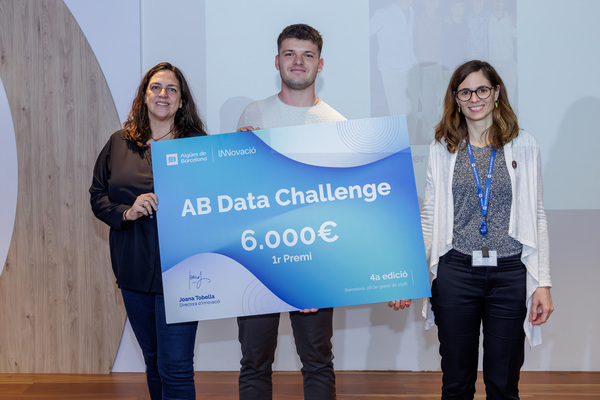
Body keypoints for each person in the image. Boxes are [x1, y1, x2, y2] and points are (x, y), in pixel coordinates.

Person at [420, 60, 553, 399]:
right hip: (456, 272)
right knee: (456, 383)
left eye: (481, 89)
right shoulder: (442, 147)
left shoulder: (524, 144)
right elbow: (430, 215)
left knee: (503, 384)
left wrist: (543, 282)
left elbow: (537, 214)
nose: (474, 98)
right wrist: (413, 273)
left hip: (509, 274)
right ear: (455, 98)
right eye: (465, 92)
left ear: (496, 93)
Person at [236, 24, 345, 400]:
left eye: (307, 55)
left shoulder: (337, 124)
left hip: (313, 262)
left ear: (320, 63)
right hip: (258, 260)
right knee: (254, 362)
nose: (298, 61)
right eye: (290, 54)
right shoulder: (254, 113)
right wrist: (237, 153)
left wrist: (319, 274)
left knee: (317, 361)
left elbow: (339, 206)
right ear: (277, 61)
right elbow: (237, 192)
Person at [89, 62, 207, 400]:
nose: (163, 94)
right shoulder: (119, 143)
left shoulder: (199, 146)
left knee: (177, 366)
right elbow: (97, 196)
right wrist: (127, 211)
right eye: (156, 87)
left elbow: (220, 199)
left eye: (172, 89)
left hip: (183, 272)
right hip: (133, 271)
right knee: (153, 362)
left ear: (181, 101)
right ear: (144, 95)